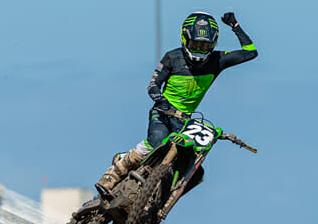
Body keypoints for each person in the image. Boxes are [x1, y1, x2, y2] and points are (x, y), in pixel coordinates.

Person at [95, 10, 258, 196]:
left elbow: (250, 52)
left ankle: (160, 202)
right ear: (184, 38)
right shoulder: (172, 57)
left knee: (195, 172)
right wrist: (162, 102)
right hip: (163, 113)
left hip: (185, 122)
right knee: (157, 141)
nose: (199, 50)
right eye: (195, 44)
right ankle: (117, 169)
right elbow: (152, 86)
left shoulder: (218, 60)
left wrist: (235, 26)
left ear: (213, 44)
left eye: (205, 46)